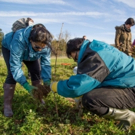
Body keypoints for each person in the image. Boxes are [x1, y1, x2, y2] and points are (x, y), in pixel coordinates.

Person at [50, 37, 135, 130]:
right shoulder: (96, 48)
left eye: (74, 57)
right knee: (91, 92)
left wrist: (56, 86)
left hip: (132, 89)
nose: (76, 61)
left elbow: (76, 87)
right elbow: (95, 80)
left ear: (77, 50)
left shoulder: (95, 57)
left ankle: (127, 116)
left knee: (90, 99)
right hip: (127, 83)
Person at [2, 23, 52, 117]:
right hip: (10, 48)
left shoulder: (45, 44)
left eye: (43, 47)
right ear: (30, 40)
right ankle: (7, 105)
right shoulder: (19, 39)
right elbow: (15, 66)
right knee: (12, 75)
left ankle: (38, 96)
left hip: (31, 54)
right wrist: (25, 85)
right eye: (37, 47)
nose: (40, 50)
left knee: (36, 72)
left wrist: (47, 80)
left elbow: (45, 63)